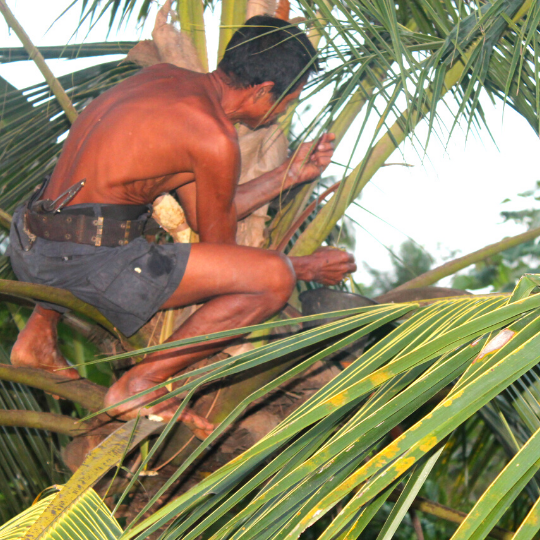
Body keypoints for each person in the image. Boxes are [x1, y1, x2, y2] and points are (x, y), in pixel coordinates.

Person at [8, 16, 356, 437]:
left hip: (29, 241)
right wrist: (303, 268)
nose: (282, 111)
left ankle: (38, 333)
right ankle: (140, 383)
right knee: (275, 279)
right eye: (287, 100)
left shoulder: (164, 79)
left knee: (98, 211)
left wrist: (289, 175)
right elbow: (226, 259)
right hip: (82, 265)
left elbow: (210, 208)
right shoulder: (213, 137)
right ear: (263, 90)